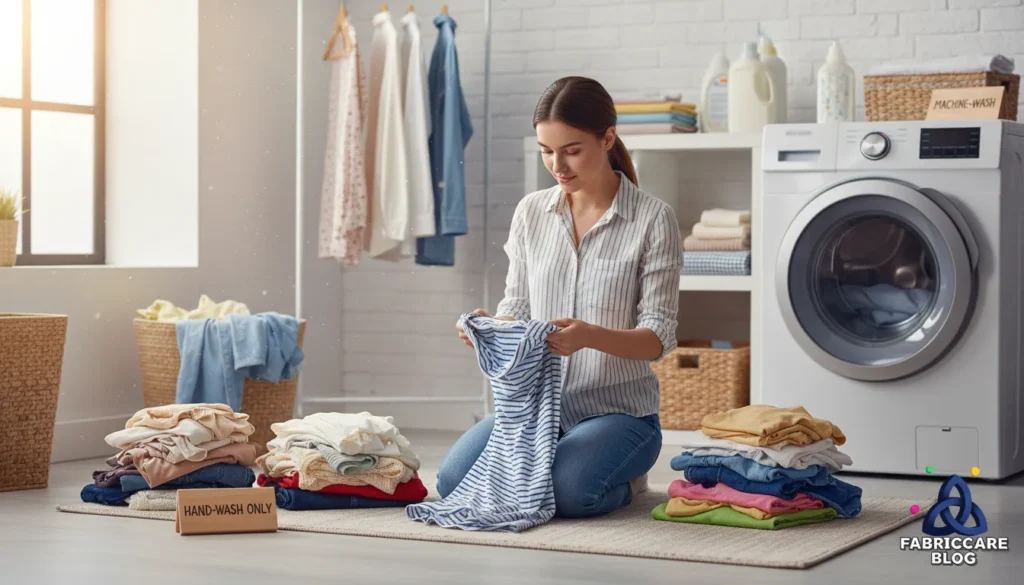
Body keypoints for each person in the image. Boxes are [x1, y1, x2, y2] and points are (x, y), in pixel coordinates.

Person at [438, 76, 683, 519]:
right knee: (453, 480)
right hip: (536, 411)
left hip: (621, 415)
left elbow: (659, 337)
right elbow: (517, 309)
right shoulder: (531, 212)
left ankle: (626, 484)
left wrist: (590, 336)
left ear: (607, 138)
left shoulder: (653, 219)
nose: (557, 164)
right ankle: (570, 461)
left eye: (571, 150)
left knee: (568, 492)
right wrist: (489, 327)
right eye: (546, 151)